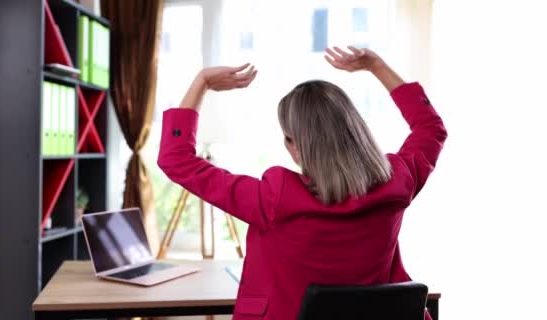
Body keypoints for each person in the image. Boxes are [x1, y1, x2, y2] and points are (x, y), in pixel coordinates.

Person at [158, 46, 447, 320]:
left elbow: (176, 159)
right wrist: (376, 66)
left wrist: (203, 82)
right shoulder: (397, 182)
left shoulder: (275, 198)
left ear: (296, 145)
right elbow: (430, 127)